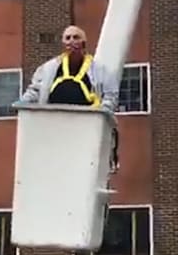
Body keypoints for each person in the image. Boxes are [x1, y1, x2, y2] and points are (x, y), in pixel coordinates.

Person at [16, 25, 120, 171]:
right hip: (55, 126)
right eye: (68, 38)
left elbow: (110, 95)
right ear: (63, 43)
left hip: (86, 127)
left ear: (84, 43)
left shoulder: (101, 70)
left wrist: (103, 114)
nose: (71, 41)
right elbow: (35, 90)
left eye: (76, 37)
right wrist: (23, 104)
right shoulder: (48, 68)